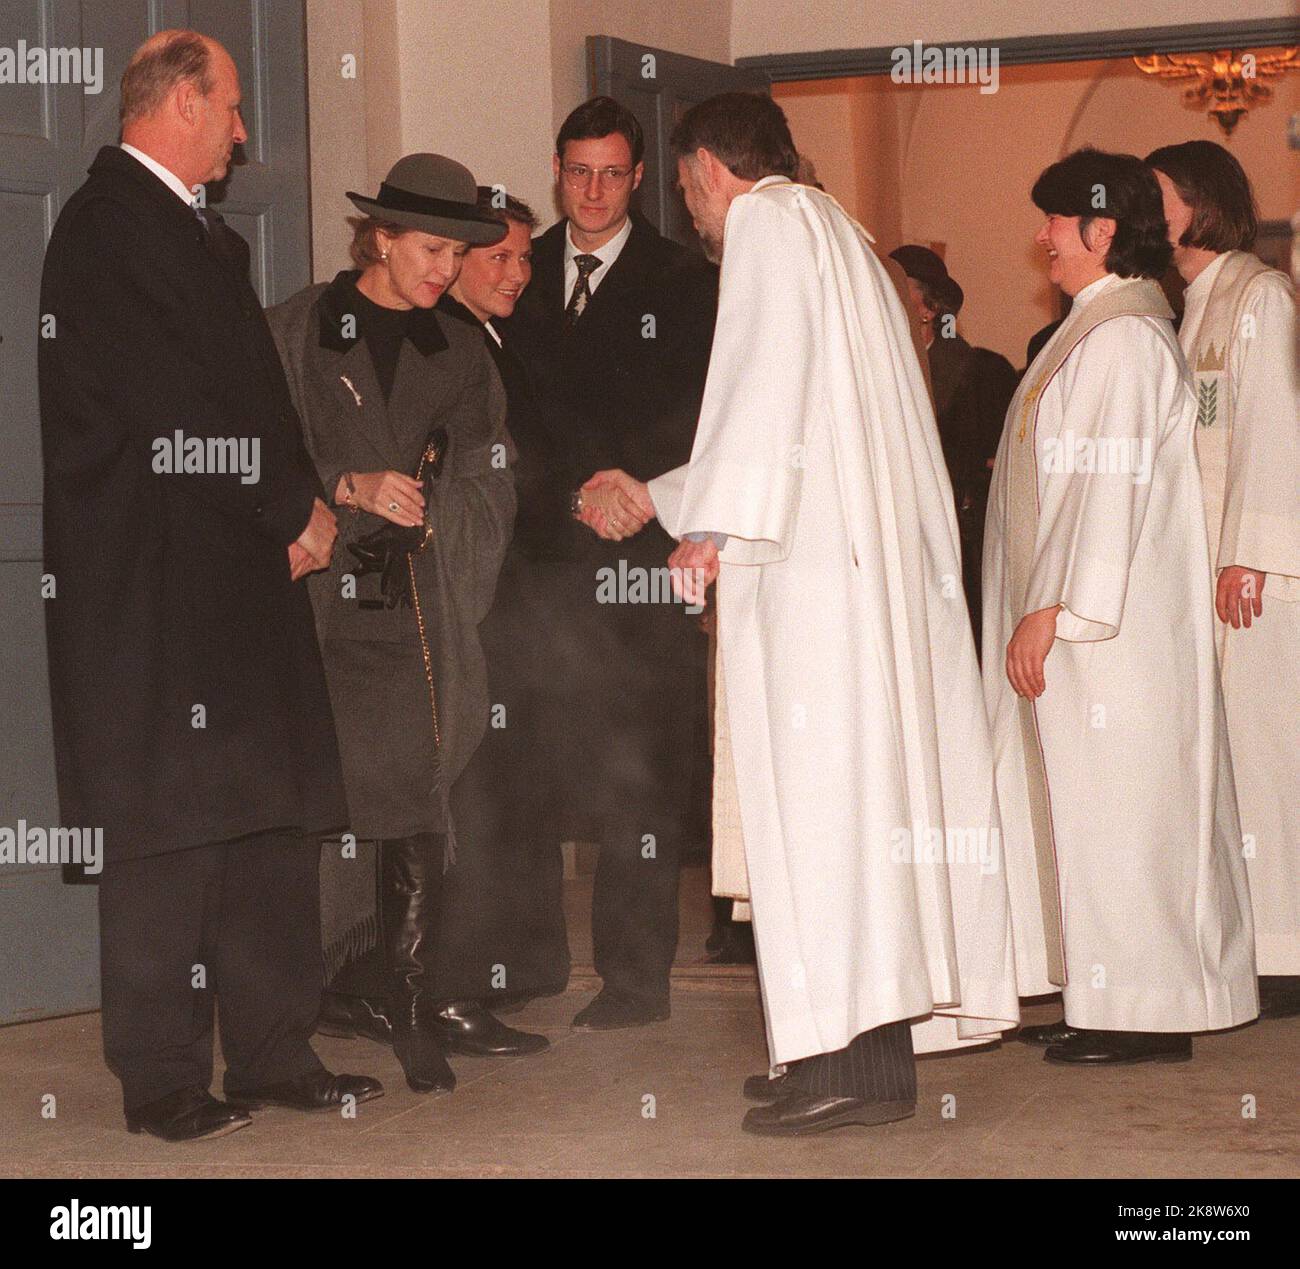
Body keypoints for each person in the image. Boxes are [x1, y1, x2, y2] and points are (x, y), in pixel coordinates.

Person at [581, 91, 1019, 1137]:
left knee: (830, 823)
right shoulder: (839, 230)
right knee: (846, 821)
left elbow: (763, 387)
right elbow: (801, 423)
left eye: (687, 191)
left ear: (712, 170)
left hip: (817, 591)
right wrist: (684, 496)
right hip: (845, 573)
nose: (694, 214)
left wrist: (710, 523)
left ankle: (856, 1074)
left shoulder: (773, 224)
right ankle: (829, 1050)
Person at [38, 30, 380, 1141]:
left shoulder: (197, 236)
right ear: (181, 102)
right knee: (166, 837)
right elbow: (173, 409)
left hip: (232, 573)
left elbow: (250, 404)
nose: (242, 131)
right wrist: (290, 510)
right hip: (151, 590)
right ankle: (161, 1078)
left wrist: (295, 503)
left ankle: (277, 1050)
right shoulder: (103, 231)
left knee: (265, 825)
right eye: (230, 107)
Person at [266, 154, 547, 1095]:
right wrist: (343, 492)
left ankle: (408, 994)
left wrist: (436, 516)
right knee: (312, 806)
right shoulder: (299, 329)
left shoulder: (460, 353)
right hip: (310, 607)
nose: (446, 268)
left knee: (419, 795)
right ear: (380, 237)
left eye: (458, 250)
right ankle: (311, 990)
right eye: (432, 248)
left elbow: (491, 475)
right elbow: (254, 456)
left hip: (417, 613)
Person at [983, 147, 1258, 1065]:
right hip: (1090, 630)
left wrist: (1056, 605)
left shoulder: (1126, 340)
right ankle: (1101, 990)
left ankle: (1147, 1015)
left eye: (1054, 224)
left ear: (1101, 230)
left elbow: (1105, 490)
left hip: (1116, 635)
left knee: (1130, 820)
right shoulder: (1097, 328)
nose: (1042, 240)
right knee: (1091, 819)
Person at [505, 97, 719, 1030]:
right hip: (539, 559)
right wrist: (566, 494)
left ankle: (635, 980)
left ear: (639, 179)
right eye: (576, 172)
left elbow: (705, 409)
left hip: (644, 555)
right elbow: (502, 412)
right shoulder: (516, 268)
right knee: (527, 764)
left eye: (612, 174)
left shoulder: (687, 278)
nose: (592, 191)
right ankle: (524, 965)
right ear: (558, 171)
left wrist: (635, 487)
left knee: (640, 770)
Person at [1147, 140, 1300, 1018]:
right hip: (1208, 577)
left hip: (1255, 584)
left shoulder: (1260, 296)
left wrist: (1250, 549)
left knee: (1270, 763)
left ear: (1199, 200)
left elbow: (1276, 426)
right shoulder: (1193, 305)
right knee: (1229, 768)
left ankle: (1285, 953)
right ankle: (1249, 942)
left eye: (1156, 193)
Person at [432, 189, 579, 1005]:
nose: (519, 273)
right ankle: (466, 981)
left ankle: (515, 966)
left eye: (527, 257)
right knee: (481, 795)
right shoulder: (451, 344)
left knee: (519, 787)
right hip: (482, 606)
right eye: (500, 257)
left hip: (525, 605)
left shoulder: (501, 339)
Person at [890, 246, 1017, 640]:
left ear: (929, 308)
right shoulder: (884, 373)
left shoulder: (982, 374)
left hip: (966, 558)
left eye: (900, 289)